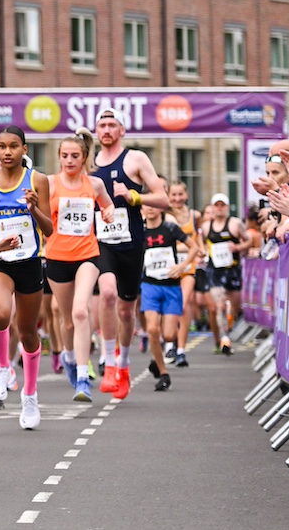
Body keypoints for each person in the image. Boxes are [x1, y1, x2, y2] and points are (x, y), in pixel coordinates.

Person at [91, 109, 167, 400]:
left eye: (112, 125)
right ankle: (109, 362)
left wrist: (135, 196)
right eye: (102, 125)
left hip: (132, 242)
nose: (107, 129)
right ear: (97, 131)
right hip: (102, 242)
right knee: (107, 293)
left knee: (125, 310)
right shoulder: (89, 164)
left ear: (122, 130)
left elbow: (162, 198)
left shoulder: (135, 159)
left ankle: (123, 365)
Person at [0, 126, 52, 430]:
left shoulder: (37, 180)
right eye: (1, 146)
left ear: (24, 149)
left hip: (29, 262)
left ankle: (30, 394)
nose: (7, 152)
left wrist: (34, 209)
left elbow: (49, 229)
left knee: (27, 333)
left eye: (13, 146)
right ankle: (2, 367)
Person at [45, 130, 116, 403]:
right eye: (64, 156)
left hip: (88, 254)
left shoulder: (94, 184)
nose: (69, 160)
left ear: (84, 157)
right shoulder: (50, 184)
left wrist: (108, 213)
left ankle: (84, 379)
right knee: (67, 320)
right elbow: (39, 217)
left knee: (81, 312)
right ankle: (70, 357)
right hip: (57, 257)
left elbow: (108, 208)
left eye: (75, 155)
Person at [140, 203, 190, 391]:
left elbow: (194, 247)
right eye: (146, 206)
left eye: (153, 206)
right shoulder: (140, 230)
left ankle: (156, 357)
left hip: (171, 287)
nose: (150, 209)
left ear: (161, 208)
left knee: (169, 335)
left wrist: (181, 266)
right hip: (150, 285)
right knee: (153, 329)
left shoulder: (170, 228)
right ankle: (163, 373)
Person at [200, 193, 247, 355]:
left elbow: (248, 241)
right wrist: (201, 253)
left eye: (222, 205)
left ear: (227, 207)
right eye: (216, 205)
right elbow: (200, 245)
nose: (219, 208)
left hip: (233, 269)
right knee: (219, 305)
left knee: (234, 306)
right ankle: (224, 337)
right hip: (215, 271)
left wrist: (238, 248)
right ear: (213, 208)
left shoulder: (235, 224)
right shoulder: (206, 227)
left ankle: (228, 328)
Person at [164, 180, 203, 366]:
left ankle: (180, 349)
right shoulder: (164, 215)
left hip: (188, 267)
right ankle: (169, 342)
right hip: (168, 267)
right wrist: (185, 248)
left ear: (186, 195)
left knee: (183, 305)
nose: (177, 198)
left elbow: (199, 237)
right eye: (174, 195)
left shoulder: (195, 215)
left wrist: (201, 250)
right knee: (169, 306)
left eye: (181, 194)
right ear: (168, 196)